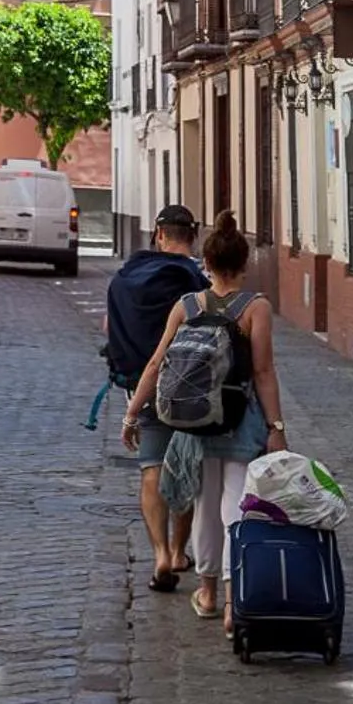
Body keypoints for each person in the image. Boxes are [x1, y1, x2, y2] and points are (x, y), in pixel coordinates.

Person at [122, 209, 287, 634]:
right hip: (240, 422)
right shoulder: (256, 308)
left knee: (206, 510)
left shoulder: (187, 304)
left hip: (195, 424)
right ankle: (234, 604)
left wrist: (131, 412)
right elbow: (264, 372)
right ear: (245, 265)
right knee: (235, 509)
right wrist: (277, 428)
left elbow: (157, 363)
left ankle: (208, 594)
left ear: (206, 264)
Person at [103, 203, 208, 592]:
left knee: (152, 467)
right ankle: (181, 552)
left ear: (158, 234)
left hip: (143, 385)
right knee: (186, 466)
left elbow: (108, 326)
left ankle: (160, 553)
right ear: (192, 236)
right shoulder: (198, 278)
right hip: (191, 387)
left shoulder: (127, 277)